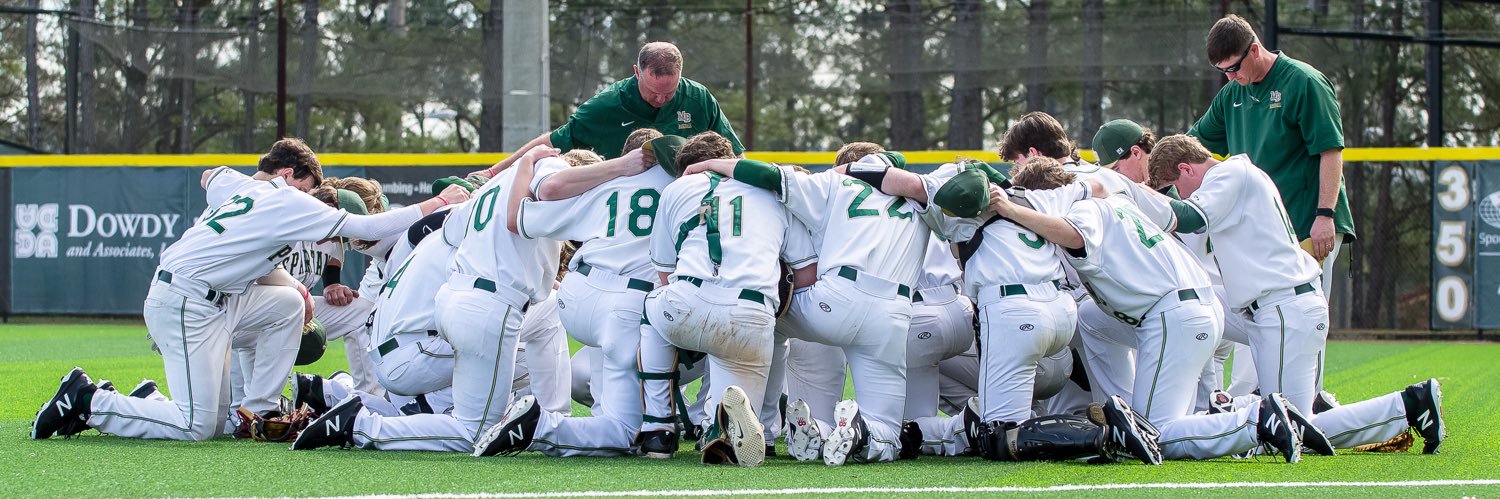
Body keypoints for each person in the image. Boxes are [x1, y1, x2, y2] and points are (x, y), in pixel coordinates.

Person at [32, 138, 468, 442]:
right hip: (187, 301)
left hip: (216, 298)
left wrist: (295, 285)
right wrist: (436, 205)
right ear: (288, 175)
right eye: (310, 187)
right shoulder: (286, 199)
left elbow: (209, 176)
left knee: (286, 306)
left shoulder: (241, 187)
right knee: (198, 426)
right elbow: (364, 226)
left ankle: (259, 408)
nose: (314, 197)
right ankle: (89, 400)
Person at [991, 157, 1328, 463]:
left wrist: (1013, 210)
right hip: (1192, 306)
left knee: (1156, 436)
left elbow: (1075, 236)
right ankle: (1130, 411)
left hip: (1174, 315)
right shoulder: (1116, 200)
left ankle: (1254, 420)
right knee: (1091, 319)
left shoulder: (1085, 208)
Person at [1146, 134, 1445, 453]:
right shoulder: (1236, 174)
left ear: (1186, 169)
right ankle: (1410, 405)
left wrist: (1132, 195)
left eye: (1173, 187)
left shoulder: (1227, 174)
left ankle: (1410, 405)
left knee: (1287, 429)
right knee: (1194, 305)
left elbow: (1191, 218)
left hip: (1284, 308)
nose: (1179, 196)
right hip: (1277, 307)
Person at [1188, 14, 1355, 294]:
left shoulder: (1304, 81)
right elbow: (1191, 147)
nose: (1230, 77)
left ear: (1254, 49)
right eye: (1223, 71)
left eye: (1234, 68)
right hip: (1262, 227)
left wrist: (1325, 215)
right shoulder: (1231, 96)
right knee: (1260, 318)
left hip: (1306, 222)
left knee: (1306, 315)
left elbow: (1330, 152)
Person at [468, 41, 743, 178]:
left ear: (681, 76)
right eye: (652, 91)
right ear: (636, 73)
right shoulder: (606, 104)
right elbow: (551, 142)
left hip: (685, 197)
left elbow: (735, 154)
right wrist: (492, 173)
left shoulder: (699, 98)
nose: (660, 99)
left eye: (668, 93)